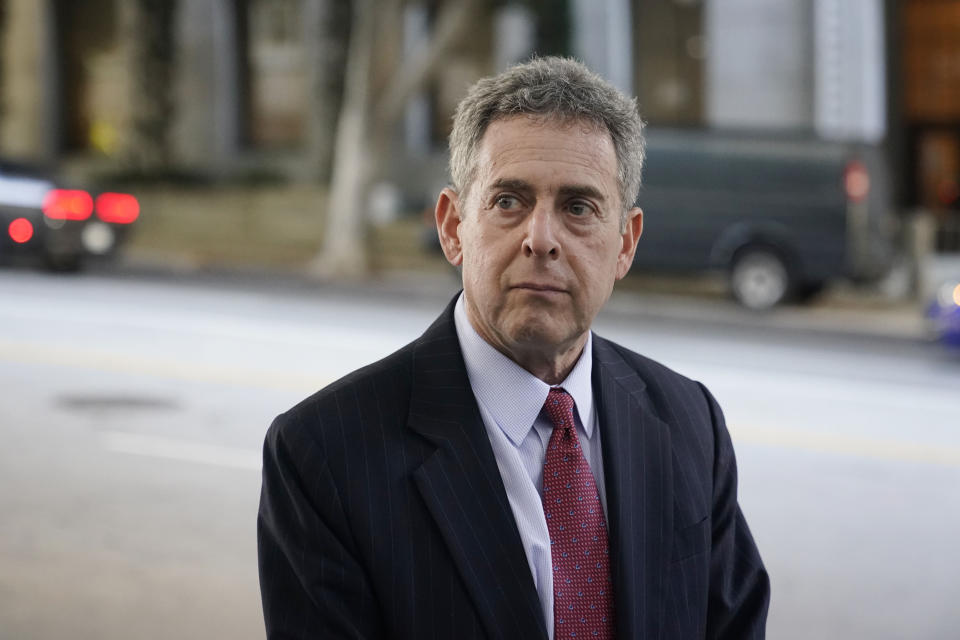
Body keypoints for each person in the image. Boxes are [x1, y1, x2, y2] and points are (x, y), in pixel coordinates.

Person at [258, 56, 769, 639]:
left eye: (578, 208)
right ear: (452, 226)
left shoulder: (689, 423)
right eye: (509, 201)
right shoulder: (323, 454)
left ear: (625, 244)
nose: (541, 239)